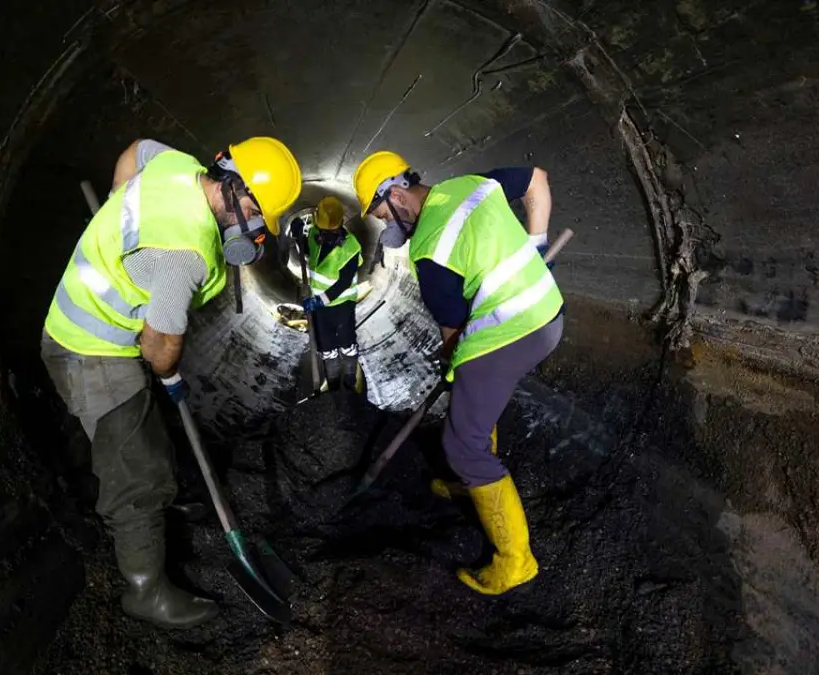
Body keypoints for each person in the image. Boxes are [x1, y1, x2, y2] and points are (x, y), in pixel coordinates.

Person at [41, 137, 301, 628]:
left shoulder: (178, 165)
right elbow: (160, 349)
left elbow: (135, 150)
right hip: (89, 348)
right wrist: (169, 375)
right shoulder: (184, 253)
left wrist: (120, 204)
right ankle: (145, 591)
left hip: (84, 318)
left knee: (144, 434)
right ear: (233, 185)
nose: (253, 228)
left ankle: (151, 495)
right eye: (253, 210)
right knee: (136, 467)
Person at [352, 151, 564, 596]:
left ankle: (515, 561)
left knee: (460, 442)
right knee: (472, 408)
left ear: (395, 195)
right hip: (548, 312)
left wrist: (453, 368)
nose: (390, 228)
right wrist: (536, 245)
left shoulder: (429, 252)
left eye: (382, 215)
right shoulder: (470, 185)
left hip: (511, 334)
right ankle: (467, 481)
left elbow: (454, 338)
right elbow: (537, 179)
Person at [290, 196, 363, 391]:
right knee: (326, 343)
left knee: (346, 338)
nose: (326, 236)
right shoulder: (315, 233)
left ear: (341, 224)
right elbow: (307, 251)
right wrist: (298, 237)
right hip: (321, 305)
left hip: (342, 302)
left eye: (331, 232)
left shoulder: (350, 247)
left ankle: (349, 376)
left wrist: (319, 301)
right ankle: (332, 380)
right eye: (323, 231)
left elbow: (345, 281)